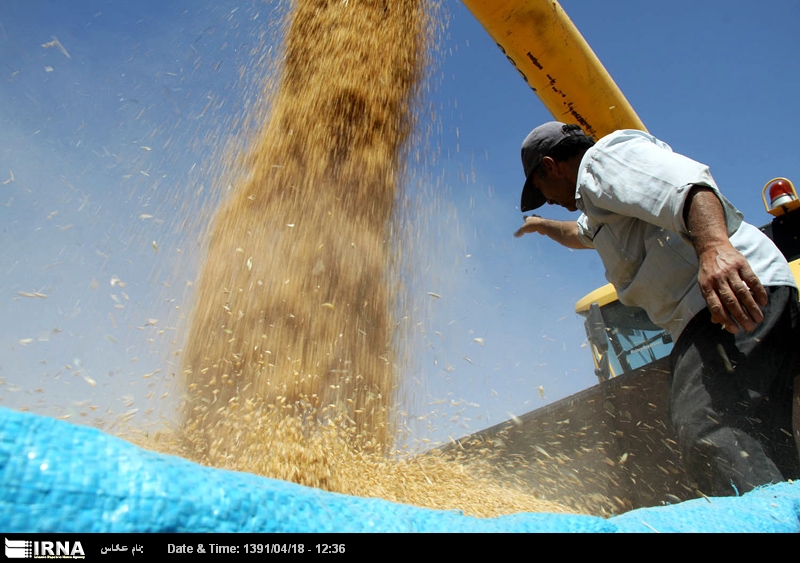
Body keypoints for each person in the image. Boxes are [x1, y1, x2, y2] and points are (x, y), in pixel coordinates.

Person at [513, 121, 800, 496]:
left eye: (541, 190)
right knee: (758, 433)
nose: (547, 199)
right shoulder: (600, 208)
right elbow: (579, 235)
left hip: (729, 296)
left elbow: (687, 185)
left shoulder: (604, 161)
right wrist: (541, 225)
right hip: (722, 307)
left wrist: (714, 247)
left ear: (550, 166)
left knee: (710, 427)